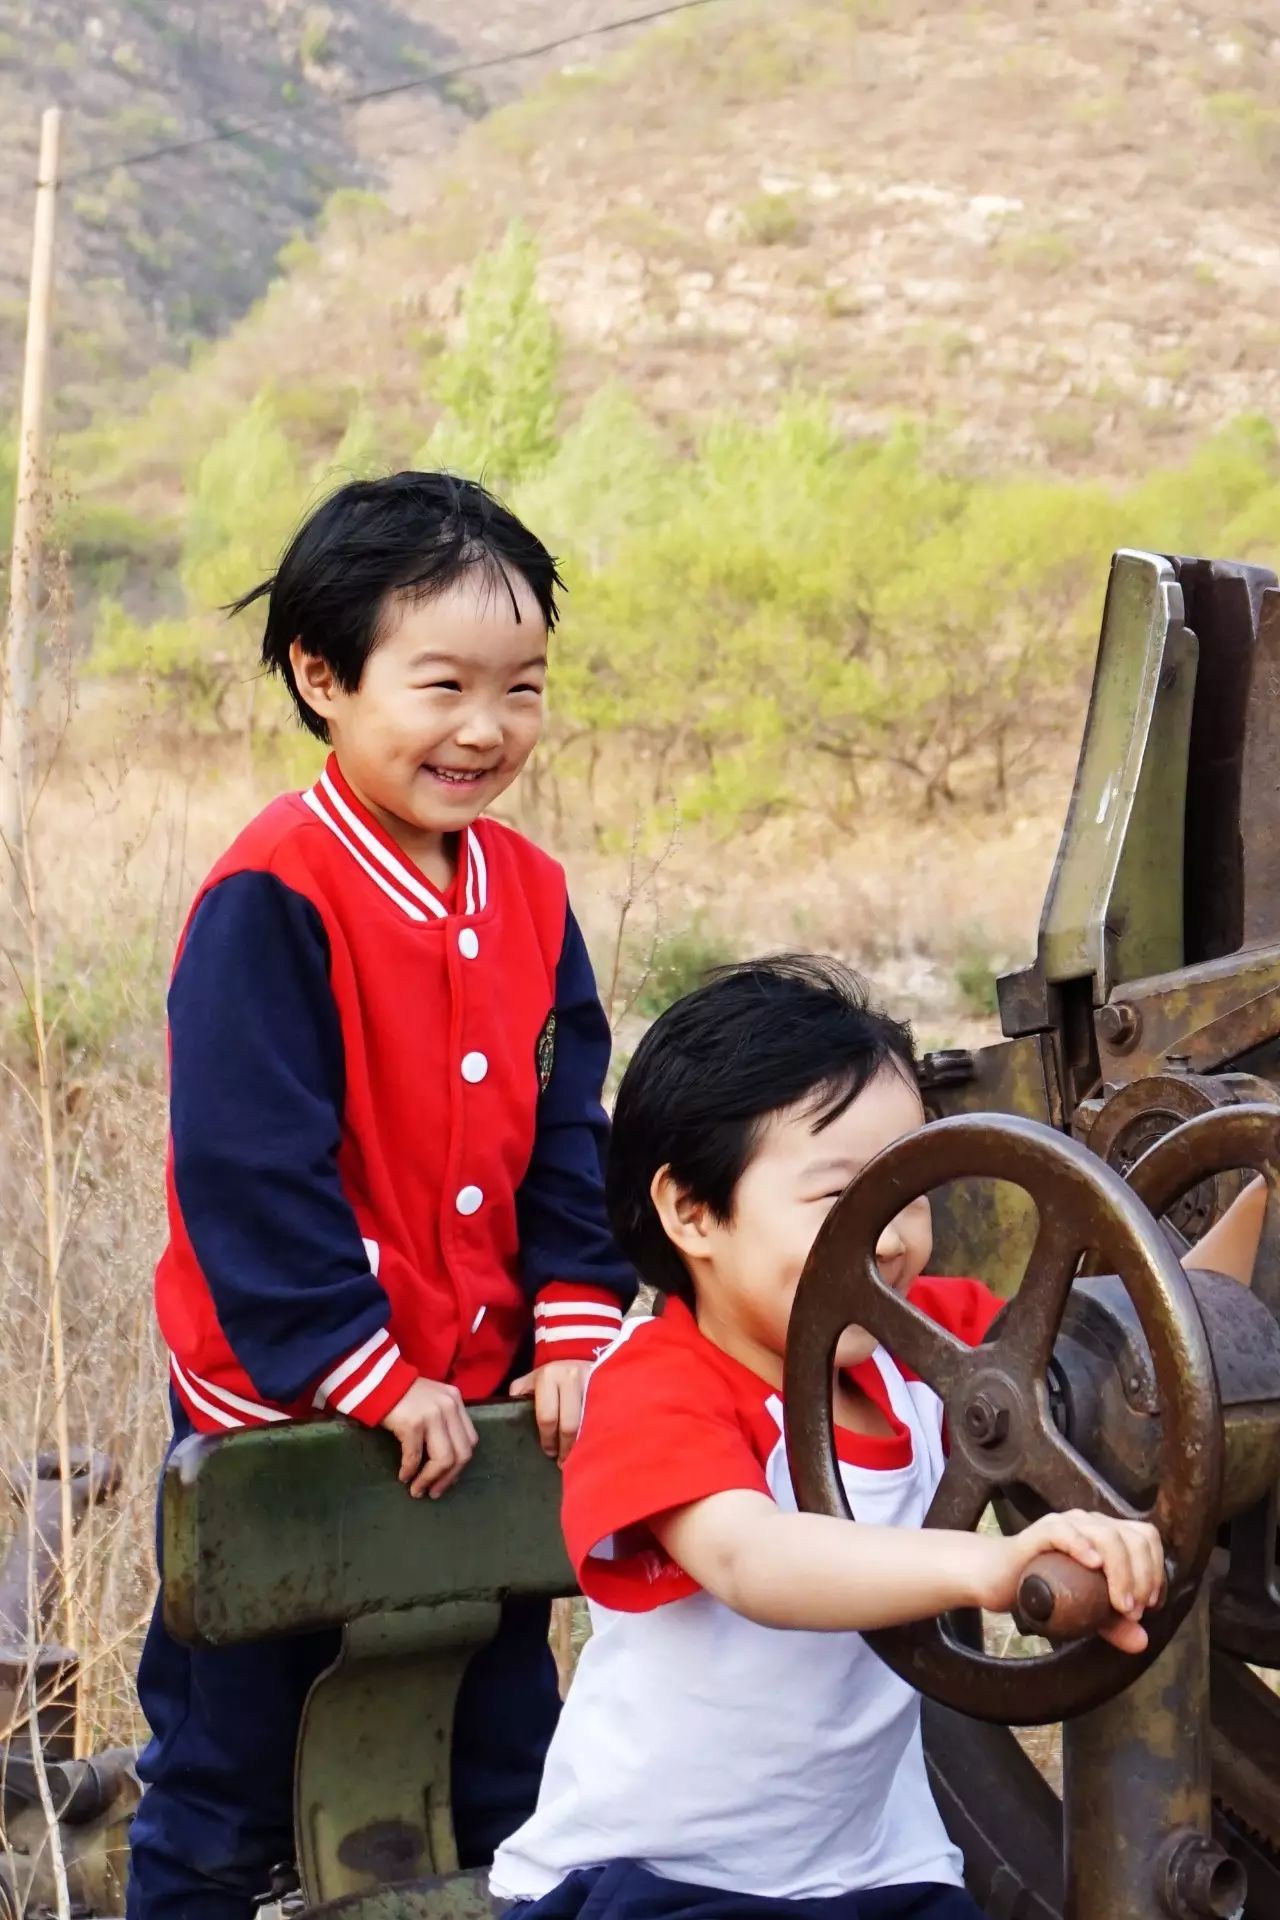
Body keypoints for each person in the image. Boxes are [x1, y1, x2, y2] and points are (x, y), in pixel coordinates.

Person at [491, 956, 1262, 1920]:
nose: (892, 1237)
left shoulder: (924, 1350)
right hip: (659, 1881)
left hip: (876, 1873)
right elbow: (750, 1557)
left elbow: (1161, 1347)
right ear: (692, 1211)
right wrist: (984, 1568)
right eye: (840, 1203)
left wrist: (1261, 1188)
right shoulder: (652, 1384)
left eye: (909, 1189)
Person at [127, 472, 635, 1920]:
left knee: (500, 1763)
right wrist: (364, 1369)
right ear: (322, 675)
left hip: (480, 1419)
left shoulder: (530, 894)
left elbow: (564, 1133)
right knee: (228, 1777)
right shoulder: (274, 893)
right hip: (292, 1417)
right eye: (443, 685)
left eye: (523, 688)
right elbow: (248, 1170)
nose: (486, 727)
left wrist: (574, 1327)